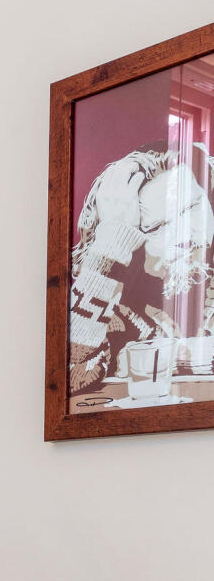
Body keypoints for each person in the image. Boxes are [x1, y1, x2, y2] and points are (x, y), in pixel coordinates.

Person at [69, 146, 214, 398]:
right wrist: (109, 247)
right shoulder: (113, 312)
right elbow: (70, 373)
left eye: (192, 205)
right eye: (158, 226)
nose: (185, 234)